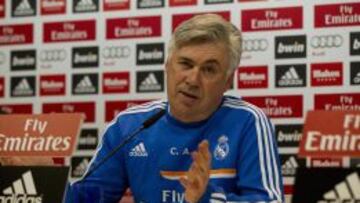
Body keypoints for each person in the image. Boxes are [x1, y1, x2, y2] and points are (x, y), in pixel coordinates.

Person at [65, 14, 284, 203]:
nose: (193, 79)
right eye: (186, 64)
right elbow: (89, 198)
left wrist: (207, 198)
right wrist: (45, 178)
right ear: (168, 67)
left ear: (228, 81)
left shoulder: (248, 122)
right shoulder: (129, 126)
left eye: (209, 69)